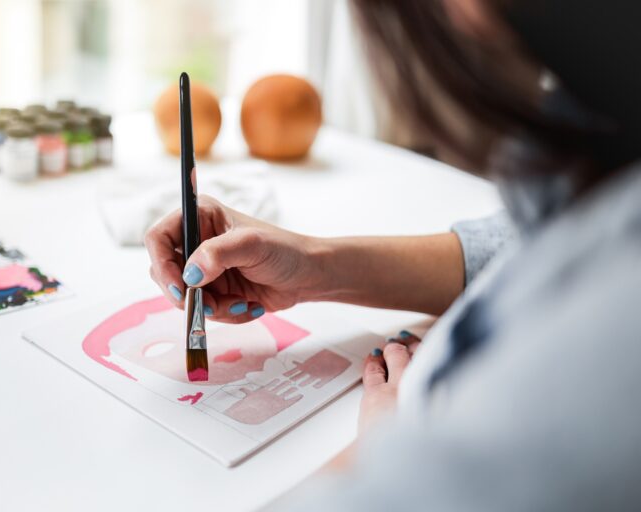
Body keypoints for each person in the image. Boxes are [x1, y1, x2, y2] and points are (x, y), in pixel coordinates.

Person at [145, 0, 641, 508]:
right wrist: (314, 266)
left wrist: (385, 447)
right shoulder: (602, 151)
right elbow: (520, 243)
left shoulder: (592, 360)